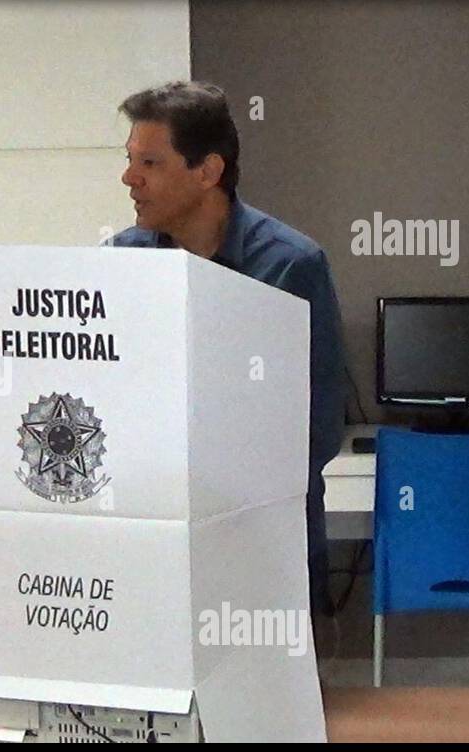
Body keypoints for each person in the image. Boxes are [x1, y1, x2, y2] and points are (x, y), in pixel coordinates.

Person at [107, 81, 347, 616]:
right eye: (129, 160)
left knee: (273, 697)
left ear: (208, 171)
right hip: (159, 537)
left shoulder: (290, 265)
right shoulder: (122, 261)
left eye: (150, 162)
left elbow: (319, 422)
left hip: (265, 542)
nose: (129, 178)